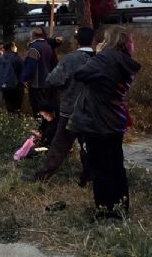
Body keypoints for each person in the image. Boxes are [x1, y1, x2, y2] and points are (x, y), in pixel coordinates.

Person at [70, 26, 140, 219]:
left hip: (98, 119)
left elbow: (80, 74)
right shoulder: (125, 61)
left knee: (100, 168)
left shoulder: (104, 58)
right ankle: (121, 207)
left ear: (110, 40)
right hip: (115, 118)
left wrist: (98, 54)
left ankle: (104, 210)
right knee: (116, 165)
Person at [26, 27, 95, 183]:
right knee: (89, 146)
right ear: (93, 41)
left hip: (69, 110)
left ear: (77, 41)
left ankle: (43, 176)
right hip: (90, 112)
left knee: (59, 146)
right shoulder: (98, 59)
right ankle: (88, 177)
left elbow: (52, 80)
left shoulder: (70, 59)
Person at [21, 28, 55, 116]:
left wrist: (24, 79)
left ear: (33, 35)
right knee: (45, 106)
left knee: (37, 107)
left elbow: (30, 65)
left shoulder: (34, 48)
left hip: (36, 83)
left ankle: (39, 126)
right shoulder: (47, 46)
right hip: (47, 80)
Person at [0, 41, 23, 113]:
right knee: (17, 106)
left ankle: (10, 119)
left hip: (4, 85)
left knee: (8, 104)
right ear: (12, 48)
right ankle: (17, 120)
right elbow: (22, 71)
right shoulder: (17, 58)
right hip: (16, 85)